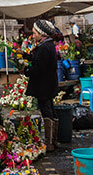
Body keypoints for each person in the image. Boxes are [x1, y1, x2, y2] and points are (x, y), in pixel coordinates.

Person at [23, 20, 60, 151]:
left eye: (34, 33)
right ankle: (53, 141)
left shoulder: (44, 47)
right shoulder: (47, 45)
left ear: (42, 33)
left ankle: (49, 143)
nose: (33, 36)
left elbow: (40, 68)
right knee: (50, 108)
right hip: (48, 84)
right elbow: (38, 61)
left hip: (44, 85)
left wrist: (26, 70)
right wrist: (26, 56)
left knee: (47, 110)